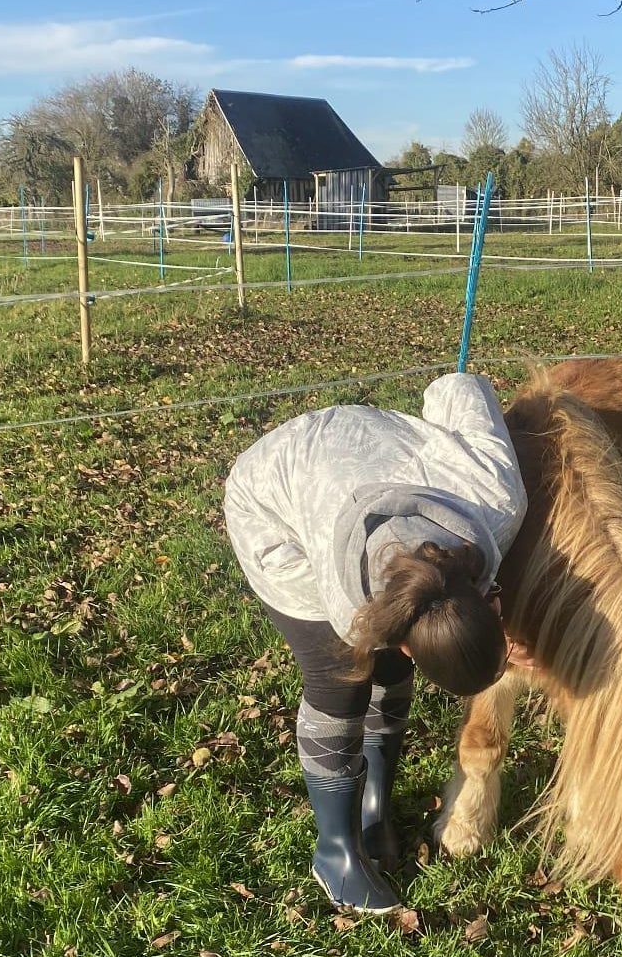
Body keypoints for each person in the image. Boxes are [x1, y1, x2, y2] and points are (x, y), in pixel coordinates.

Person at [223, 372, 528, 914]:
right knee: (340, 681)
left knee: (390, 669)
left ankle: (374, 804)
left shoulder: (499, 496)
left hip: (376, 447)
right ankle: (336, 850)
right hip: (275, 497)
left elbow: (460, 388)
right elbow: (371, 635)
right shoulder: (351, 604)